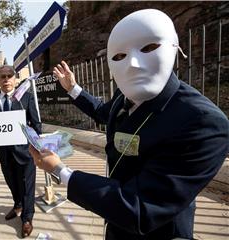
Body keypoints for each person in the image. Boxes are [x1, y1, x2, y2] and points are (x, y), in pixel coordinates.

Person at [29, 9, 229, 240]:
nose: (133, 64)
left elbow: (141, 207)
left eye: (148, 48)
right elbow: (103, 113)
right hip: (115, 220)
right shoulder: (124, 96)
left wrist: (61, 171)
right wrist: (73, 89)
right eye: (119, 56)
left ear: (176, 49)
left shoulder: (203, 123)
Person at [0, 65, 41, 238]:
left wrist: (36, 148)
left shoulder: (27, 97)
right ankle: (18, 205)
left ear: (15, 79)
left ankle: (27, 218)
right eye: (2, 76)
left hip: (25, 152)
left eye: (10, 76)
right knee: (12, 182)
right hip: (4, 153)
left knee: (27, 186)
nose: (6, 79)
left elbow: (36, 124)